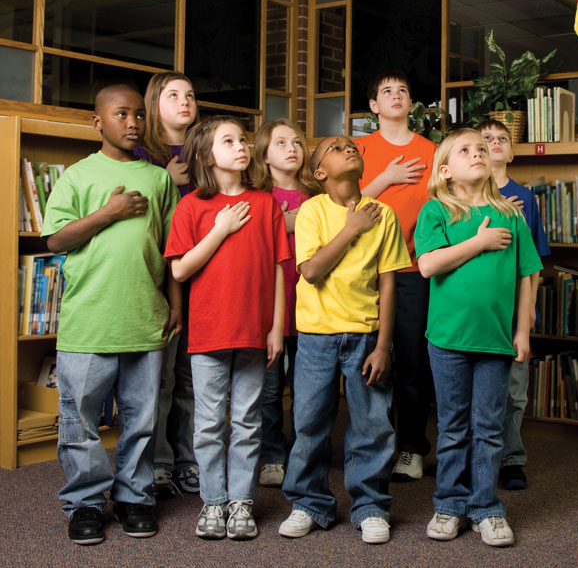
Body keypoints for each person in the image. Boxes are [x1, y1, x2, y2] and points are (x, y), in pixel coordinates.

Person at [41, 84, 181, 545]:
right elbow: (56, 240)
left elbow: (172, 250)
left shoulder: (160, 179)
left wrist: (175, 304)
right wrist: (110, 212)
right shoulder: (78, 176)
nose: (133, 123)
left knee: (142, 417)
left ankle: (134, 496)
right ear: (98, 122)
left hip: (144, 316)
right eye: (122, 114)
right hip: (89, 321)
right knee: (79, 418)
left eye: (139, 115)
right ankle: (84, 501)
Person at [279, 135, 411, 545]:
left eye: (352, 145)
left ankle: (370, 505)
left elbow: (388, 284)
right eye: (336, 147)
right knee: (310, 420)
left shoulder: (384, 215)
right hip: (317, 336)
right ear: (319, 173)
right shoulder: (311, 212)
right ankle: (309, 502)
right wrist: (352, 228)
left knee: (373, 424)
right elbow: (312, 271)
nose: (349, 148)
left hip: (366, 333)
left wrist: (384, 345)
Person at [414, 128, 542, 547]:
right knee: (453, 427)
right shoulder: (436, 210)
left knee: (489, 427)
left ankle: (486, 507)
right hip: (448, 340)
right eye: (466, 150)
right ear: (446, 171)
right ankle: (449, 504)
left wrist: (522, 331)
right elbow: (429, 265)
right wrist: (479, 241)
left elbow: (528, 275)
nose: (478, 154)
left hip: (496, 341)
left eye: (482, 149)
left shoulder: (511, 213)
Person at [165, 116, 290, 540]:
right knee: (208, 423)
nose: (241, 147)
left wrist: (276, 328)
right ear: (204, 155)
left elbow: (277, 269)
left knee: (248, 420)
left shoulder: (267, 204)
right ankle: (213, 502)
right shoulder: (191, 207)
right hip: (209, 333)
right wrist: (219, 229)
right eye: (228, 141)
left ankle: (241, 501)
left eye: (242, 140)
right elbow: (180, 270)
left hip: (255, 333)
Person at [359, 71, 436, 481]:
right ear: (374, 106)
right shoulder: (358, 148)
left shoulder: (432, 151)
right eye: (385, 90)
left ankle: (411, 447)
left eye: (403, 90)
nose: (395, 95)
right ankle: (372, 445)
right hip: (363, 271)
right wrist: (386, 179)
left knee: (411, 360)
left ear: (411, 103)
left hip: (412, 269)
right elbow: (346, 204)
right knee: (367, 358)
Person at [136, 71, 200, 497]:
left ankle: (189, 458)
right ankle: (158, 460)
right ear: (154, 102)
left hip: (205, 277)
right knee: (159, 377)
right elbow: (148, 219)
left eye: (190, 95)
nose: (184, 101)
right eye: (174, 94)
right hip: (160, 279)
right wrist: (170, 183)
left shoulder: (207, 150)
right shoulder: (141, 153)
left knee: (192, 376)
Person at [479, 118, 549, 490]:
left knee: (514, 387)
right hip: (480, 302)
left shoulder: (526, 195)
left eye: (501, 139)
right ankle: (477, 455)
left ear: (512, 151)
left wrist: (531, 304)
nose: (493, 143)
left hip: (514, 302)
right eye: (485, 138)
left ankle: (511, 457)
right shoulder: (466, 192)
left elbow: (534, 258)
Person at [251, 119, 319, 487]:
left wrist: (292, 220)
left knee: (307, 388)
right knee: (270, 387)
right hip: (271, 306)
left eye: (296, 141)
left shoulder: (316, 194)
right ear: (264, 153)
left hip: (310, 304)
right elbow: (259, 238)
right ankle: (271, 454)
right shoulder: (257, 196)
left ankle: (302, 452)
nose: (292, 148)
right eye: (280, 143)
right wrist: (288, 221)